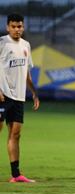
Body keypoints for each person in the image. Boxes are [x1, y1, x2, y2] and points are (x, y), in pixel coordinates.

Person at [0, 13, 40, 183]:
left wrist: (34, 92)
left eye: (20, 26)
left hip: (18, 97)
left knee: (15, 134)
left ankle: (16, 175)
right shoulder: (2, 43)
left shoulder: (26, 45)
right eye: (14, 26)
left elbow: (26, 72)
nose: (17, 29)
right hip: (2, 94)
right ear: (8, 27)